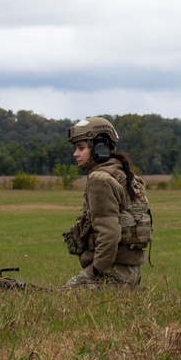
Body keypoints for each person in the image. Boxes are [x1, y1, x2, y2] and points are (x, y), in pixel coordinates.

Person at [63, 117, 151, 288]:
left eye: (81, 148)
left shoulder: (99, 179)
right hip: (130, 272)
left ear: (99, 148)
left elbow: (109, 233)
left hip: (111, 272)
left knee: (61, 301)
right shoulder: (124, 175)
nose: (75, 153)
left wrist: (96, 271)